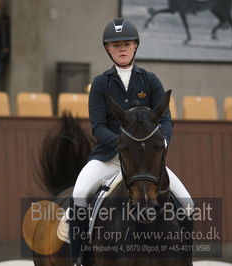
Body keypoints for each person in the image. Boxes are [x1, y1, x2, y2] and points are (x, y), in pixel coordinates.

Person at [69, 18, 194, 266]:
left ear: (135, 46)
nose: (122, 49)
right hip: (108, 158)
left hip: (146, 161)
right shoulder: (101, 84)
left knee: (188, 204)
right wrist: (123, 144)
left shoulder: (150, 80)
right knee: (80, 193)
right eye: (116, 45)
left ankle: (186, 259)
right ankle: (80, 258)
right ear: (108, 49)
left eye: (127, 44)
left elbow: (166, 120)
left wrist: (163, 144)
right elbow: (98, 126)